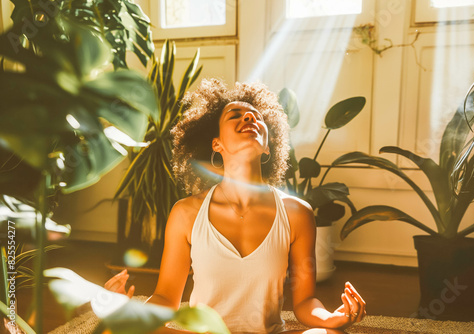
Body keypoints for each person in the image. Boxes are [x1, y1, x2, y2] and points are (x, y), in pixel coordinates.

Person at [108, 79, 366, 333]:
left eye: (257, 117)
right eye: (235, 115)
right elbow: (165, 297)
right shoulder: (186, 213)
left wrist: (332, 318)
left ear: (267, 148)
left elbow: (305, 302)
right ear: (216, 144)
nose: (250, 119)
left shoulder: (297, 213)